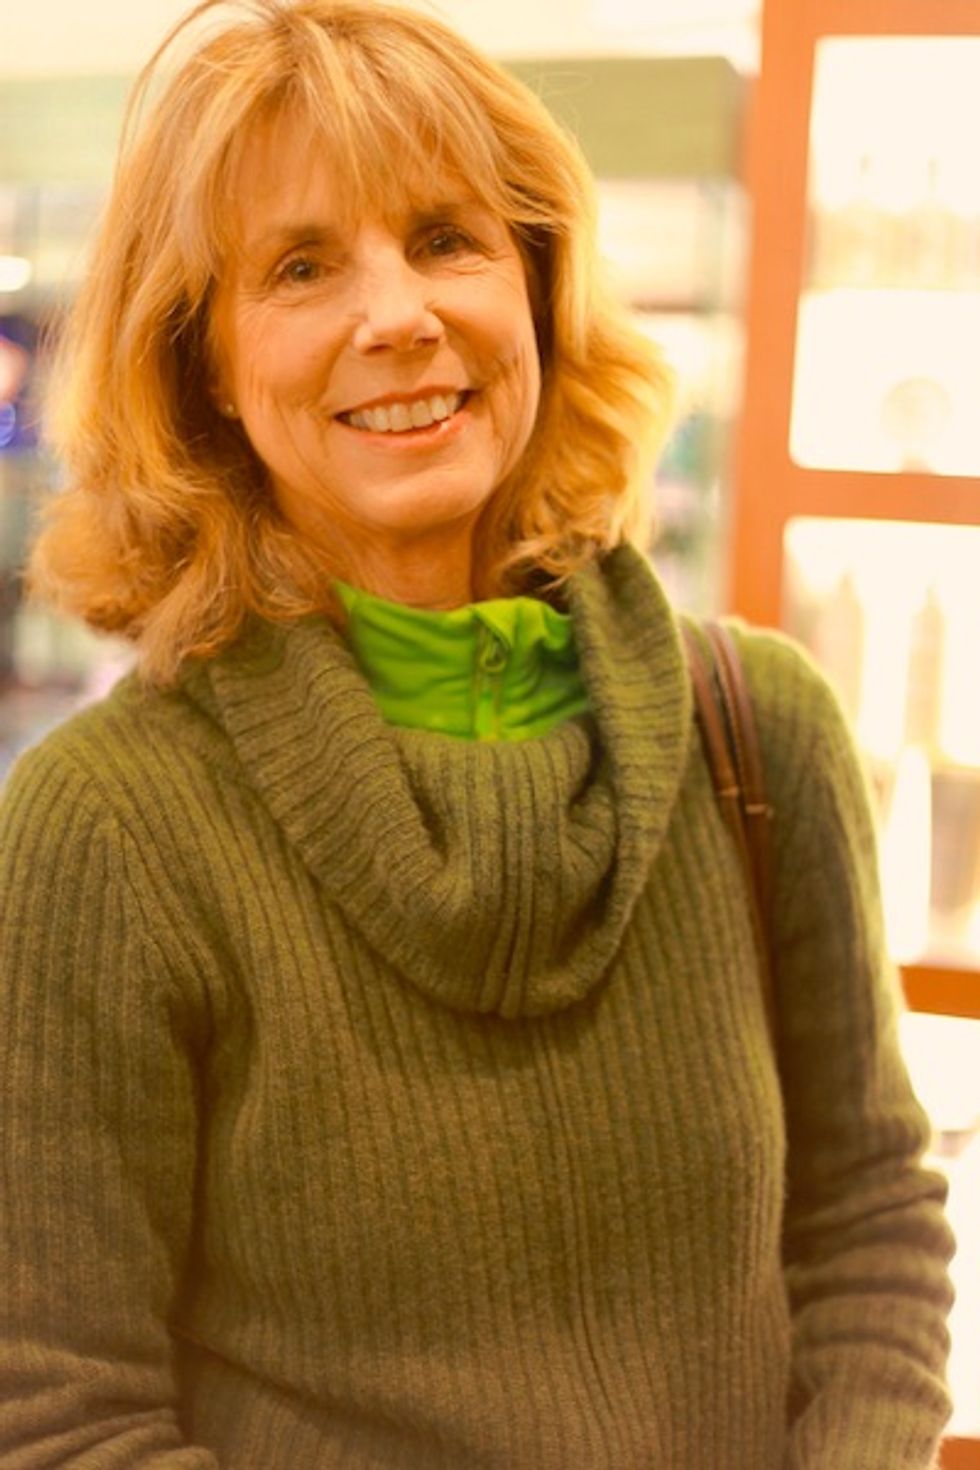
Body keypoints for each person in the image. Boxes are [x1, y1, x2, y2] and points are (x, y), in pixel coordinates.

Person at [0, 2, 956, 1465]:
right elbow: (64, 1413)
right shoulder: (107, 831)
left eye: (448, 239)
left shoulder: (758, 736)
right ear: (205, 368)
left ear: (540, 290)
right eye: (301, 266)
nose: (397, 315)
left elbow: (869, 1218)